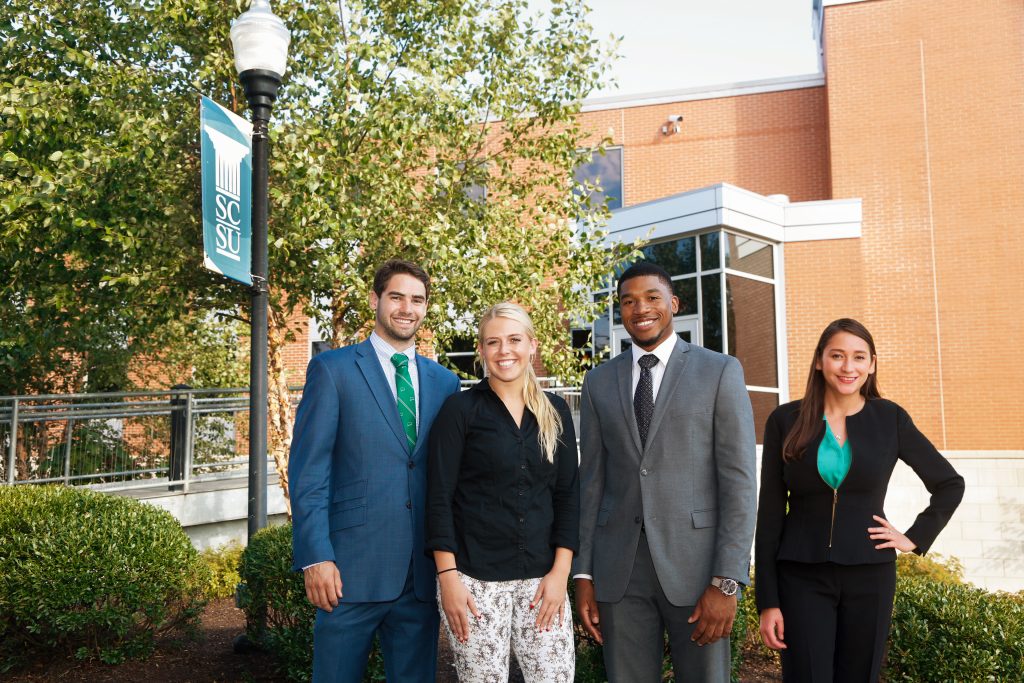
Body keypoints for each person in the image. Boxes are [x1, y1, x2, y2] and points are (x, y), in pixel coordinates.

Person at [572, 261, 757, 683]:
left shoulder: (720, 371)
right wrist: (583, 574)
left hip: (697, 571)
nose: (641, 309)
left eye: (652, 297)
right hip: (620, 571)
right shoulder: (598, 382)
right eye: (628, 301)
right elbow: (591, 484)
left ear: (673, 303)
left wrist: (727, 581)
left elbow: (740, 483)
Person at [755, 318, 965, 682]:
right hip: (801, 575)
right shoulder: (784, 420)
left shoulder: (890, 419)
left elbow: (949, 483)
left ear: (872, 364)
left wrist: (914, 537)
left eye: (858, 357)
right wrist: (768, 601)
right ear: (820, 361)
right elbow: (770, 515)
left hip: (870, 573)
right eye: (837, 356)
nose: (848, 367)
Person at [289, 259, 461, 683]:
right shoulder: (334, 369)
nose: (407, 308)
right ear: (375, 300)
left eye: (417, 300)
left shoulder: (445, 383)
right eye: (397, 296)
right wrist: (316, 556)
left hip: (419, 576)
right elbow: (309, 472)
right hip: (348, 572)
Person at [427, 302, 579, 683]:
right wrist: (449, 580)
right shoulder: (459, 411)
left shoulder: (557, 411)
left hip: (543, 582)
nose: (504, 350)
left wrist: (561, 573)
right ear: (481, 351)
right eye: (492, 342)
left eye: (514, 340)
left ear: (532, 345)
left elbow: (568, 496)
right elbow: (439, 497)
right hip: (475, 583)